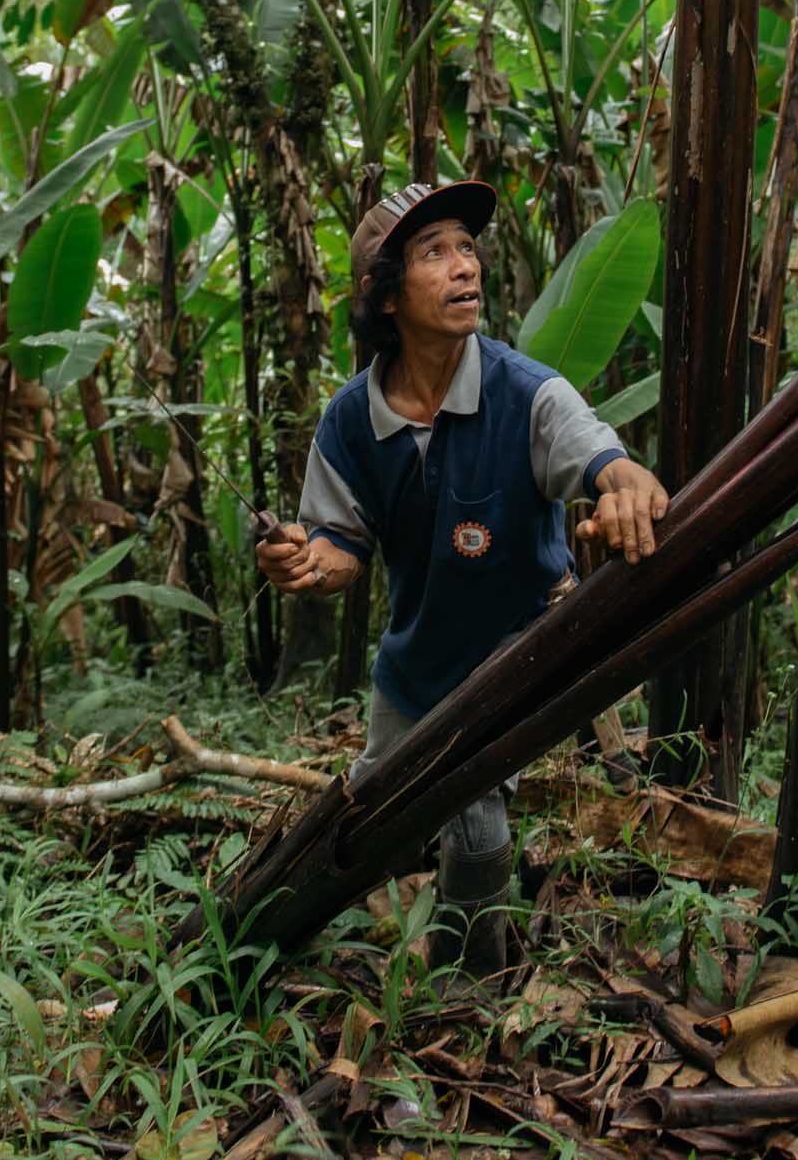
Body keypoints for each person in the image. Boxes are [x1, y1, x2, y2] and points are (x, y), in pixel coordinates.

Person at [256, 179, 669, 976]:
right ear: (384, 294)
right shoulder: (350, 418)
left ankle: (467, 993)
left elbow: (609, 463)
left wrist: (627, 492)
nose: (464, 268)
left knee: (476, 829)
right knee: (363, 820)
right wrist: (304, 561)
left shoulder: (528, 393)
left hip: (515, 650)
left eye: (467, 248)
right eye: (433, 252)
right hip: (414, 668)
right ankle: (272, 947)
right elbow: (341, 548)